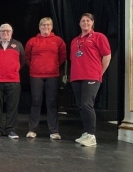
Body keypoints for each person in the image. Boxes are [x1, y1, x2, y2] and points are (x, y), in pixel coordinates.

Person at [70, 13, 111, 146]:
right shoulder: (75, 40)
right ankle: (87, 132)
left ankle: (92, 135)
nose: (85, 23)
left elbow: (107, 56)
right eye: (83, 21)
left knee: (87, 104)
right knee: (81, 105)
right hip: (76, 76)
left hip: (91, 76)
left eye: (88, 21)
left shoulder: (99, 37)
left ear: (92, 23)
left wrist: (99, 72)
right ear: (79, 23)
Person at [25, 17, 67, 140]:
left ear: (52, 27)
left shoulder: (58, 41)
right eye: (43, 25)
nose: (46, 27)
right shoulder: (32, 41)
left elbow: (63, 56)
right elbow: (27, 57)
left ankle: (54, 131)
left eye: (48, 25)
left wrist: (52, 66)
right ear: (39, 27)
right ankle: (32, 130)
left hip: (52, 76)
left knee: (52, 103)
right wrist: (35, 66)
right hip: (36, 75)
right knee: (36, 102)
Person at [0, 23, 25, 139]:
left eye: (8, 31)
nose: (5, 33)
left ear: (11, 33)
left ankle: (11, 130)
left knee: (12, 107)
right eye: (3, 31)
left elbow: (22, 61)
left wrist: (14, 69)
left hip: (13, 81)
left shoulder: (18, 45)